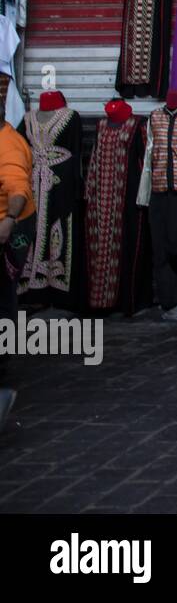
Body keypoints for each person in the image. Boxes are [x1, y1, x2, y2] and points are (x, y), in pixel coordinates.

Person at [0, 101, 35, 433]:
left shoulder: (8, 143)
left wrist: (9, 220)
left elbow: (18, 188)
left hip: (11, 229)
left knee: (2, 296)